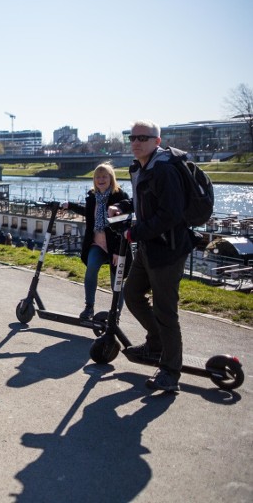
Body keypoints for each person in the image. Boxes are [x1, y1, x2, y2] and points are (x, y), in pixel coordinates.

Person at [108, 120, 193, 393]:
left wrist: (136, 231)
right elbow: (143, 202)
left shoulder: (165, 170)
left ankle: (170, 372)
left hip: (168, 249)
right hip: (147, 247)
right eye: (131, 137)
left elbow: (171, 214)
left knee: (165, 311)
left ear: (157, 141)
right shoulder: (141, 167)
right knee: (132, 295)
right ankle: (156, 343)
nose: (135, 142)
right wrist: (122, 205)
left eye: (142, 138)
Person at [62, 162, 131, 320]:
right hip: (97, 244)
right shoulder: (93, 197)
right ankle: (89, 308)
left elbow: (124, 226)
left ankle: (115, 315)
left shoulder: (120, 197)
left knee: (117, 282)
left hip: (116, 247)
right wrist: (70, 205)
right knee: (91, 270)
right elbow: (87, 212)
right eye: (98, 177)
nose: (101, 179)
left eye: (104, 176)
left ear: (111, 178)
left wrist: (117, 251)